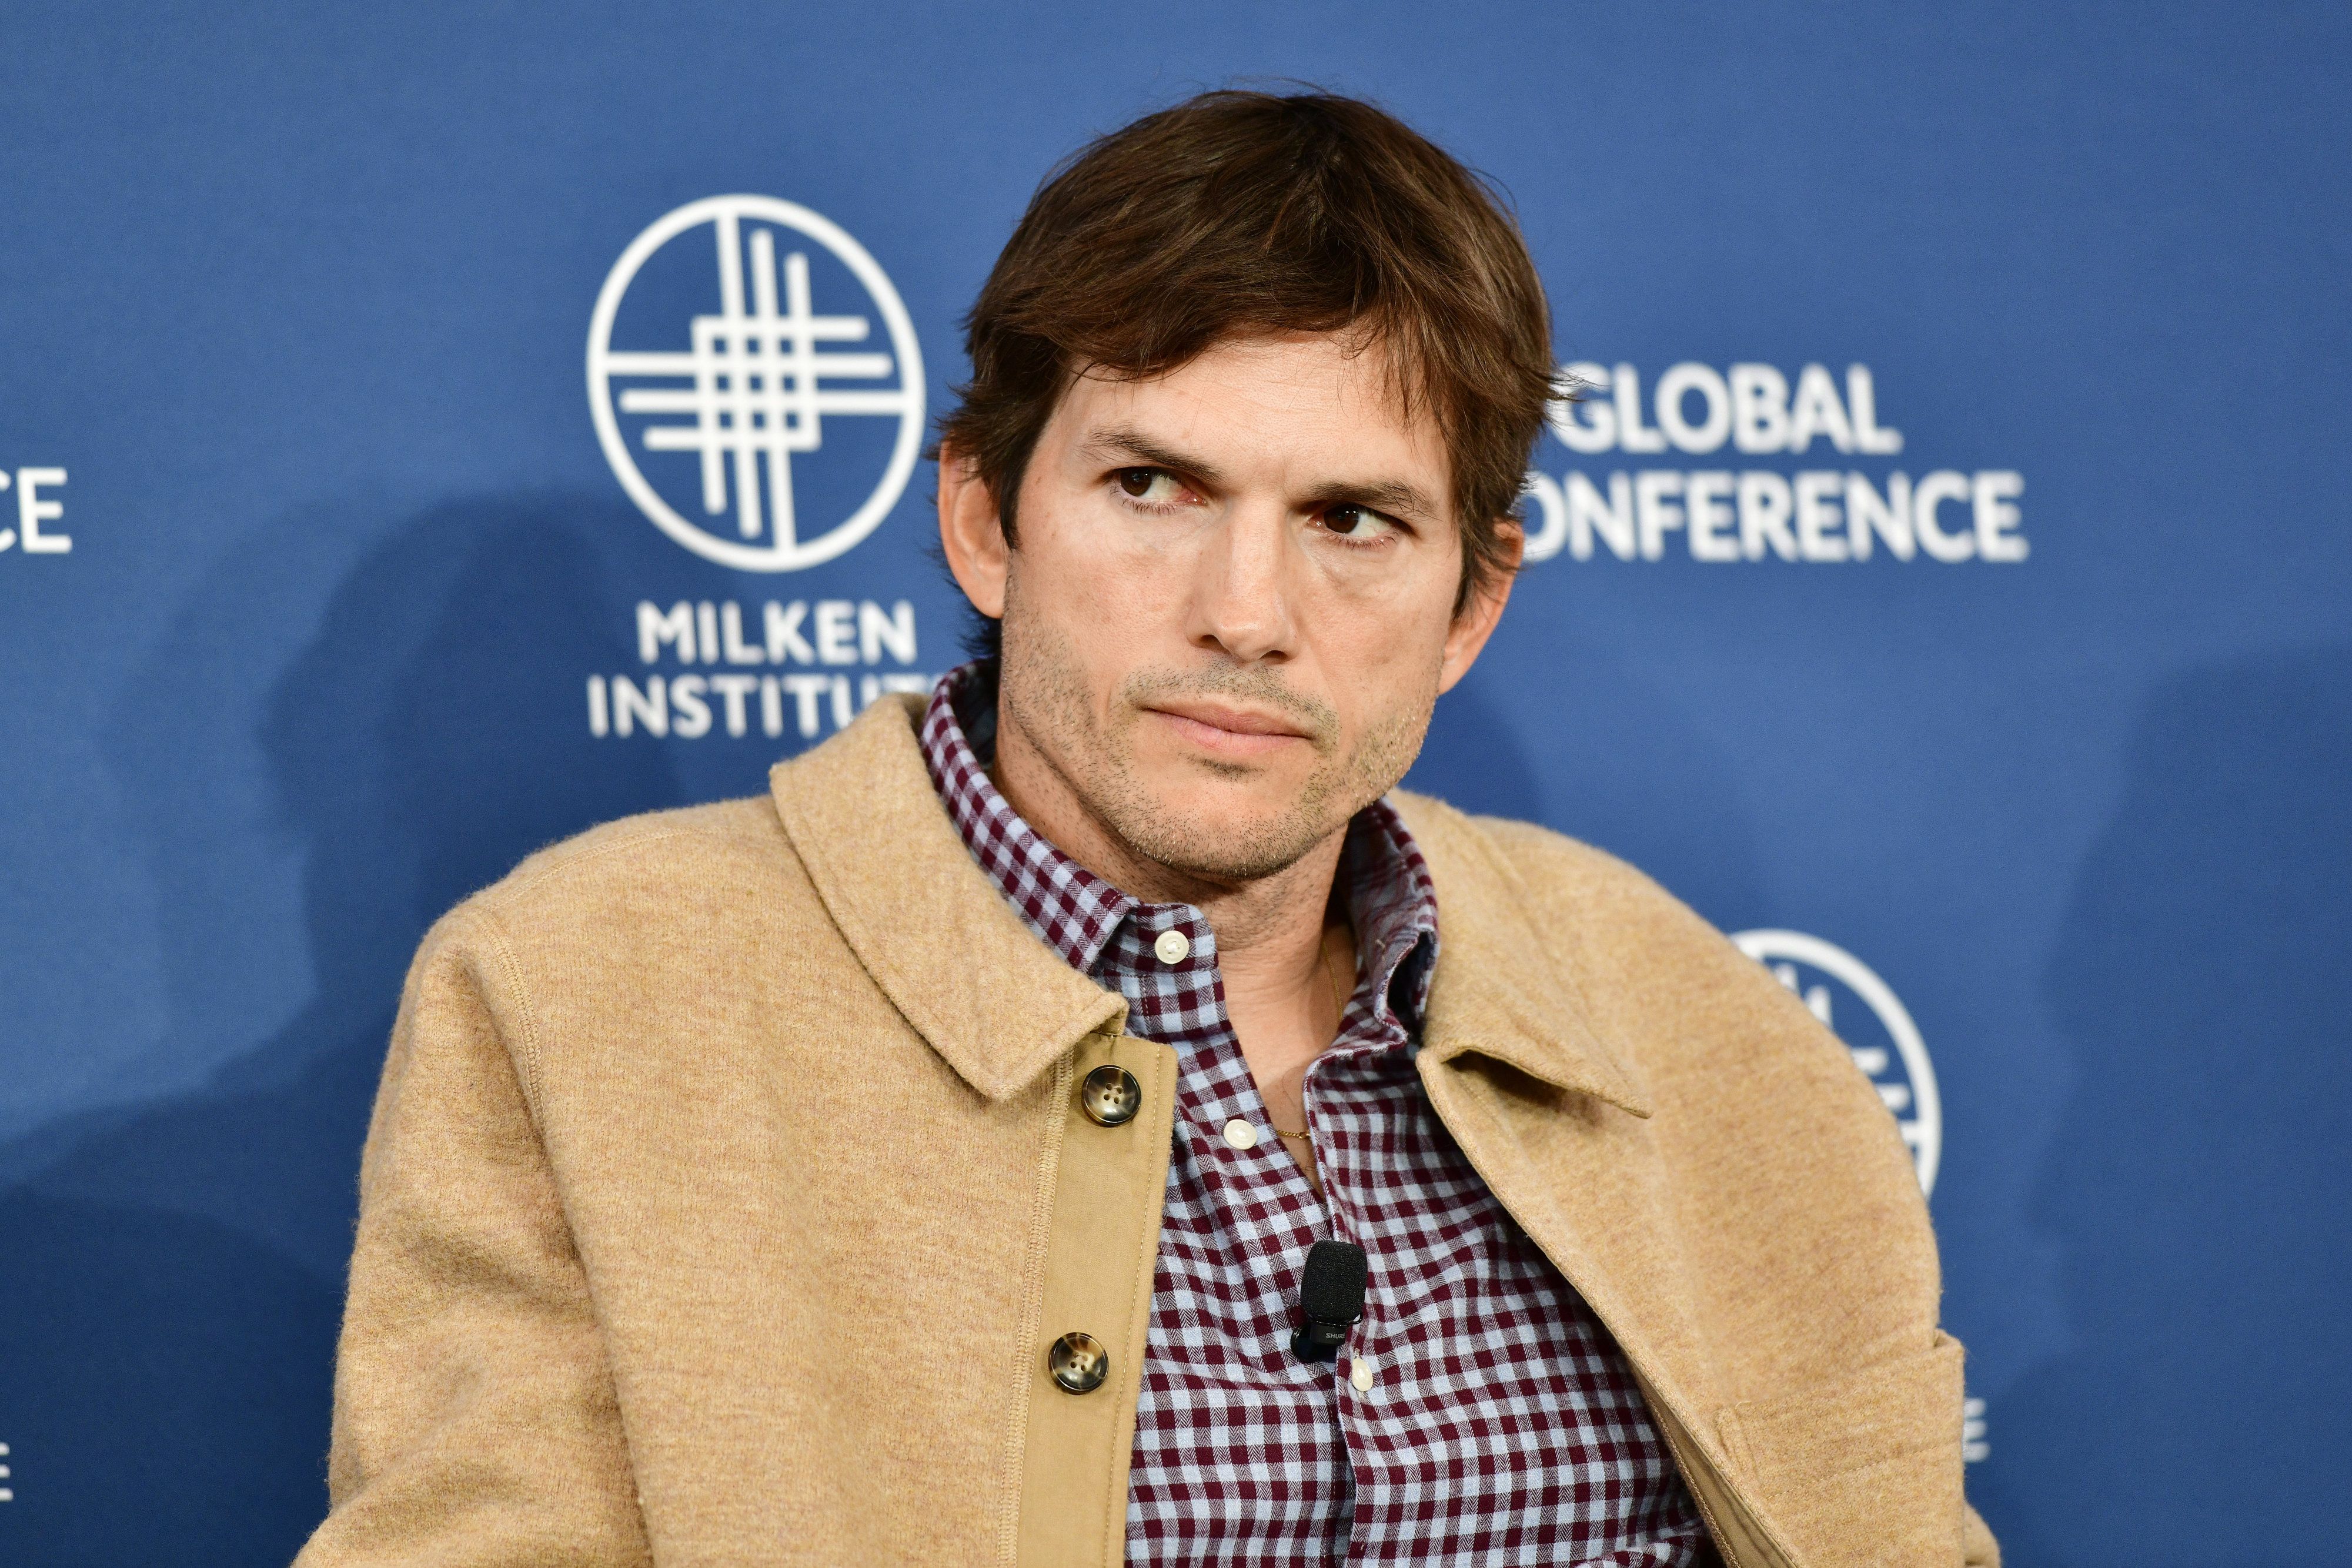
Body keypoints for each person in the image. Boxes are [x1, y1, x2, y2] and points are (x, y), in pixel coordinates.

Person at [298, 91, 1997, 1567]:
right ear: (986, 519)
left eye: (1352, 519)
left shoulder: (1700, 1031)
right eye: (1153, 488)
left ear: (1471, 605)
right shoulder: (584, 999)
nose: (1245, 613)